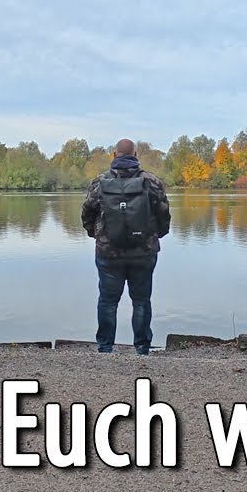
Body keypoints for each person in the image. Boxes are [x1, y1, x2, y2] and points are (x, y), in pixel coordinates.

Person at [80, 139, 171, 354]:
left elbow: (86, 213)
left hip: (108, 252)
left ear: (114, 155)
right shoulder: (152, 182)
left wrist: (97, 235)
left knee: (108, 301)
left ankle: (105, 348)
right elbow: (164, 214)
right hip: (144, 252)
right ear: (136, 155)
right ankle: (141, 349)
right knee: (141, 300)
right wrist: (156, 235)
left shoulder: (99, 182)